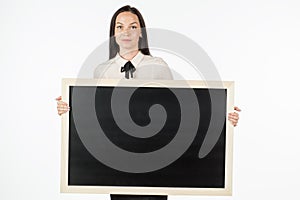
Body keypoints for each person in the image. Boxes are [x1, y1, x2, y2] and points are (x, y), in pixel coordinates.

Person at [56, 5, 241, 126]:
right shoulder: (101, 70)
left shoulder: (158, 66)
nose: (126, 32)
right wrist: (69, 108)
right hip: (114, 154)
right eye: (119, 27)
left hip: (153, 150)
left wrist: (223, 115)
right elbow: (95, 116)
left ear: (141, 33)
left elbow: (179, 110)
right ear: (113, 33)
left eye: (133, 27)